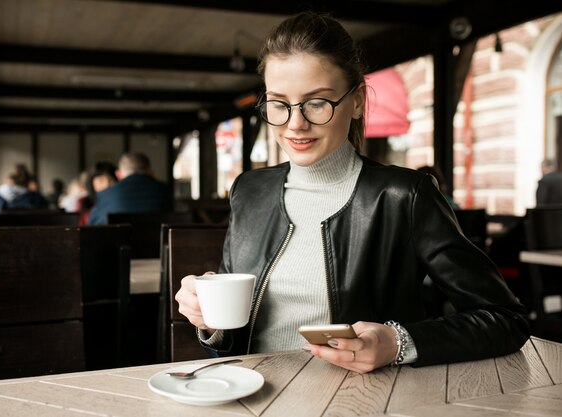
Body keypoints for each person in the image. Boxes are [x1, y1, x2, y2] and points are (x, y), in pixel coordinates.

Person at [175, 11, 529, 373]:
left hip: (363, 402)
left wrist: (396, 343)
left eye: (316, 102)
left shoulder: (405, 196)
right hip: (252, 394)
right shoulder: (249, 190)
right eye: (279, 104)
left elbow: (506, 319)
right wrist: (210, 320)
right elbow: (234, 343)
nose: (295, 124)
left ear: (357, 100)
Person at [88, 152, 169, 225]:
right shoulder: (166, 191)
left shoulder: (104, 196)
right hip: (157, 241)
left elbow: (91, 229)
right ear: (151, 172)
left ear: (118, 174)